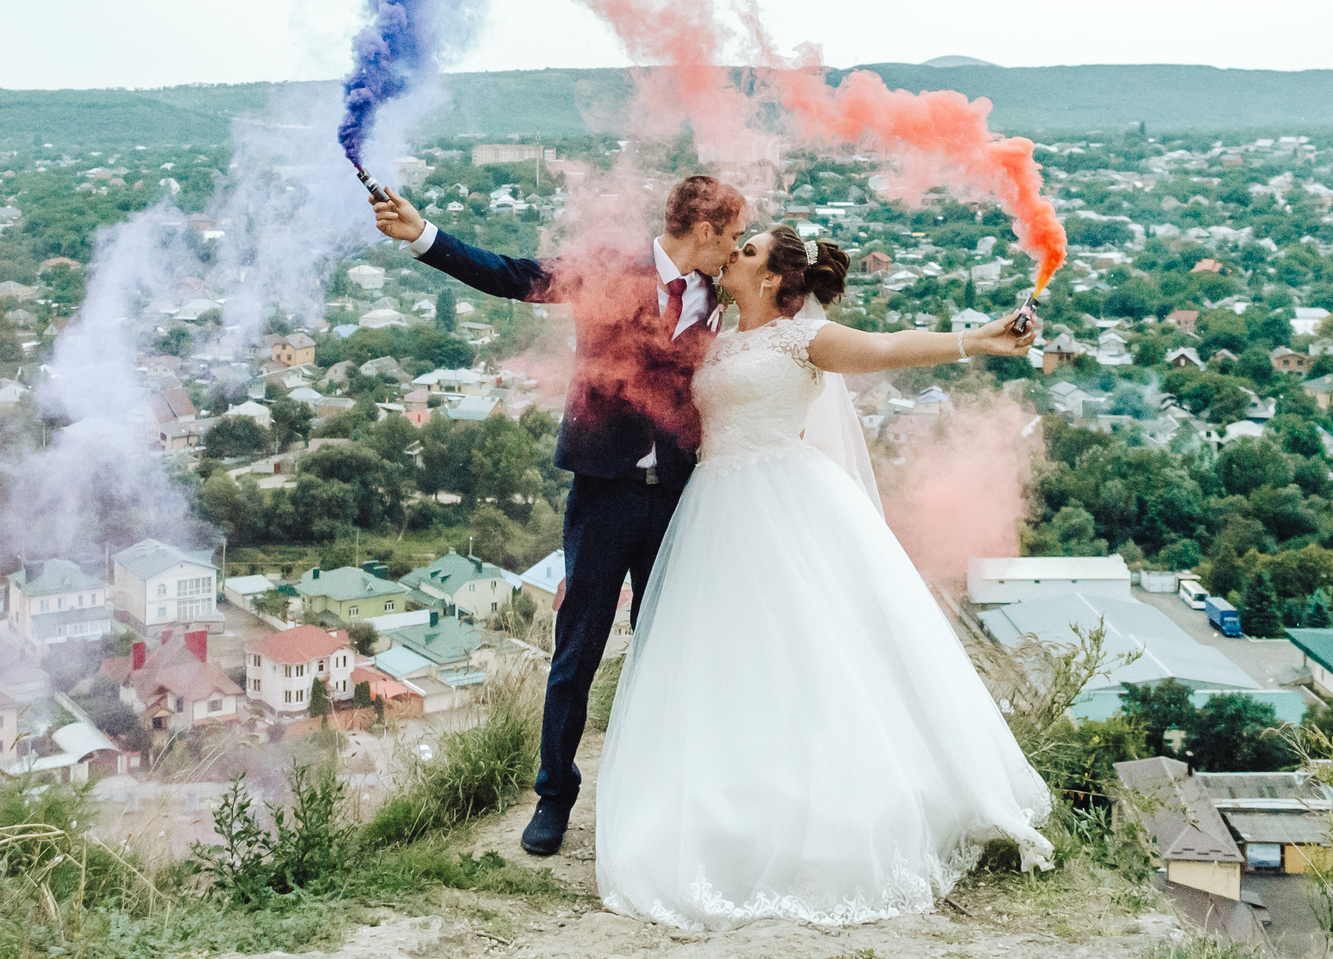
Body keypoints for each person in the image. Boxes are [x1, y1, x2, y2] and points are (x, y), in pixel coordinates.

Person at [593, 225, 1053, 931]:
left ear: (775, 280)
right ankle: (734, 791)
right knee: (727, 660)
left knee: (808, 652)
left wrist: (984, 337)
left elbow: (892, 347)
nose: (733, 256)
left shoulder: (804, 338)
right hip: (715, 507)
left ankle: (823, 799)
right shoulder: (714, 334)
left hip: (784, 498)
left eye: (747, 252)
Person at [371, 173, 746, 857]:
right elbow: (512, 275)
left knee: (669, 647)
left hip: (680, 497)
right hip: (604, 492)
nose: (736, 249)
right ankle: (554, 797)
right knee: (577, 651)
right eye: (731, 237)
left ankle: (663, 792)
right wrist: (422, 235)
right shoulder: (606, 272)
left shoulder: (719, 292)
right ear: (703, 231)